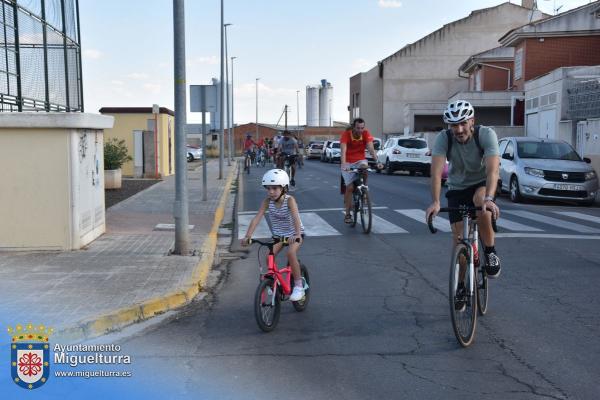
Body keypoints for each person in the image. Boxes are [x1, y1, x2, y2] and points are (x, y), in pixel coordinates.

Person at [425, 100, 501, 310]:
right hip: (457, 187)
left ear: (472, 121)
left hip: (482, 184)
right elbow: (436, 172)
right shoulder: (444, 138)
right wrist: (436, 201)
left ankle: (491, 251)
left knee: (480, 202)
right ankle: (460, 286)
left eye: (462, 124)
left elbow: (493, 171)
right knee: (459, 240)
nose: (458, 129)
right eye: (453, 125)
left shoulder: (486, 135)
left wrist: (489, 198)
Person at [240, 169, 306, 301]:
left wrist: (297, 234)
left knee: (290, 253)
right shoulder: (267, 202)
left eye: (274, 188)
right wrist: (247, 236)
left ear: (284, 188)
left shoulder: (290, 200)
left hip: (294, 234)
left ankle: (299, 286)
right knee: (268, 257)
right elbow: (257, 218)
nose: (270, 192)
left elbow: (296, 218)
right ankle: (274, 282)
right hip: (279, 236)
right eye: (268, 188)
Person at [340, 118, 383, 224]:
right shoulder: (346, 134)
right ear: (354, 127)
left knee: (365, 166)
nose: (360, 130)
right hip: (348, 162)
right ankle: (347, 214)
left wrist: (377, 161)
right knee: (349, 188)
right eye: (358, 128)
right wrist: (344, 164)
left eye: (362, 128)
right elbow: (343, 151)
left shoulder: (365, 134)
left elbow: (371, 149)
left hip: (360, 160)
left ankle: (364, 190)